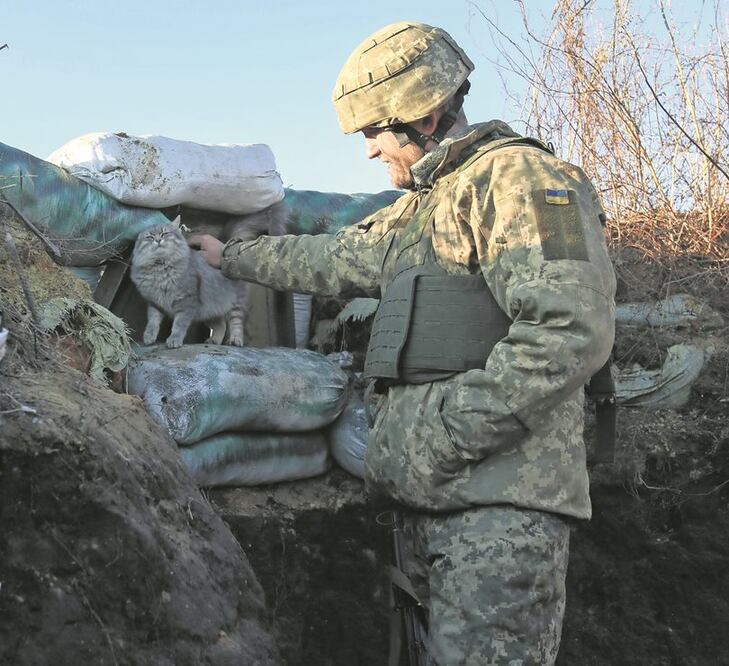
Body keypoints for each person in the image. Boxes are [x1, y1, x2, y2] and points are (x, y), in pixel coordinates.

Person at [191, 21, 616, 665]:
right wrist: (233, 257)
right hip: (431, 502)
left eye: (371, 132)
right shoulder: (425, 207)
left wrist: (444, 435)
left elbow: (567, 333)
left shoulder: (519, 182)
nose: (366, 152)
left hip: (497, 512)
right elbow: (332, 257)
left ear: (426, 113)